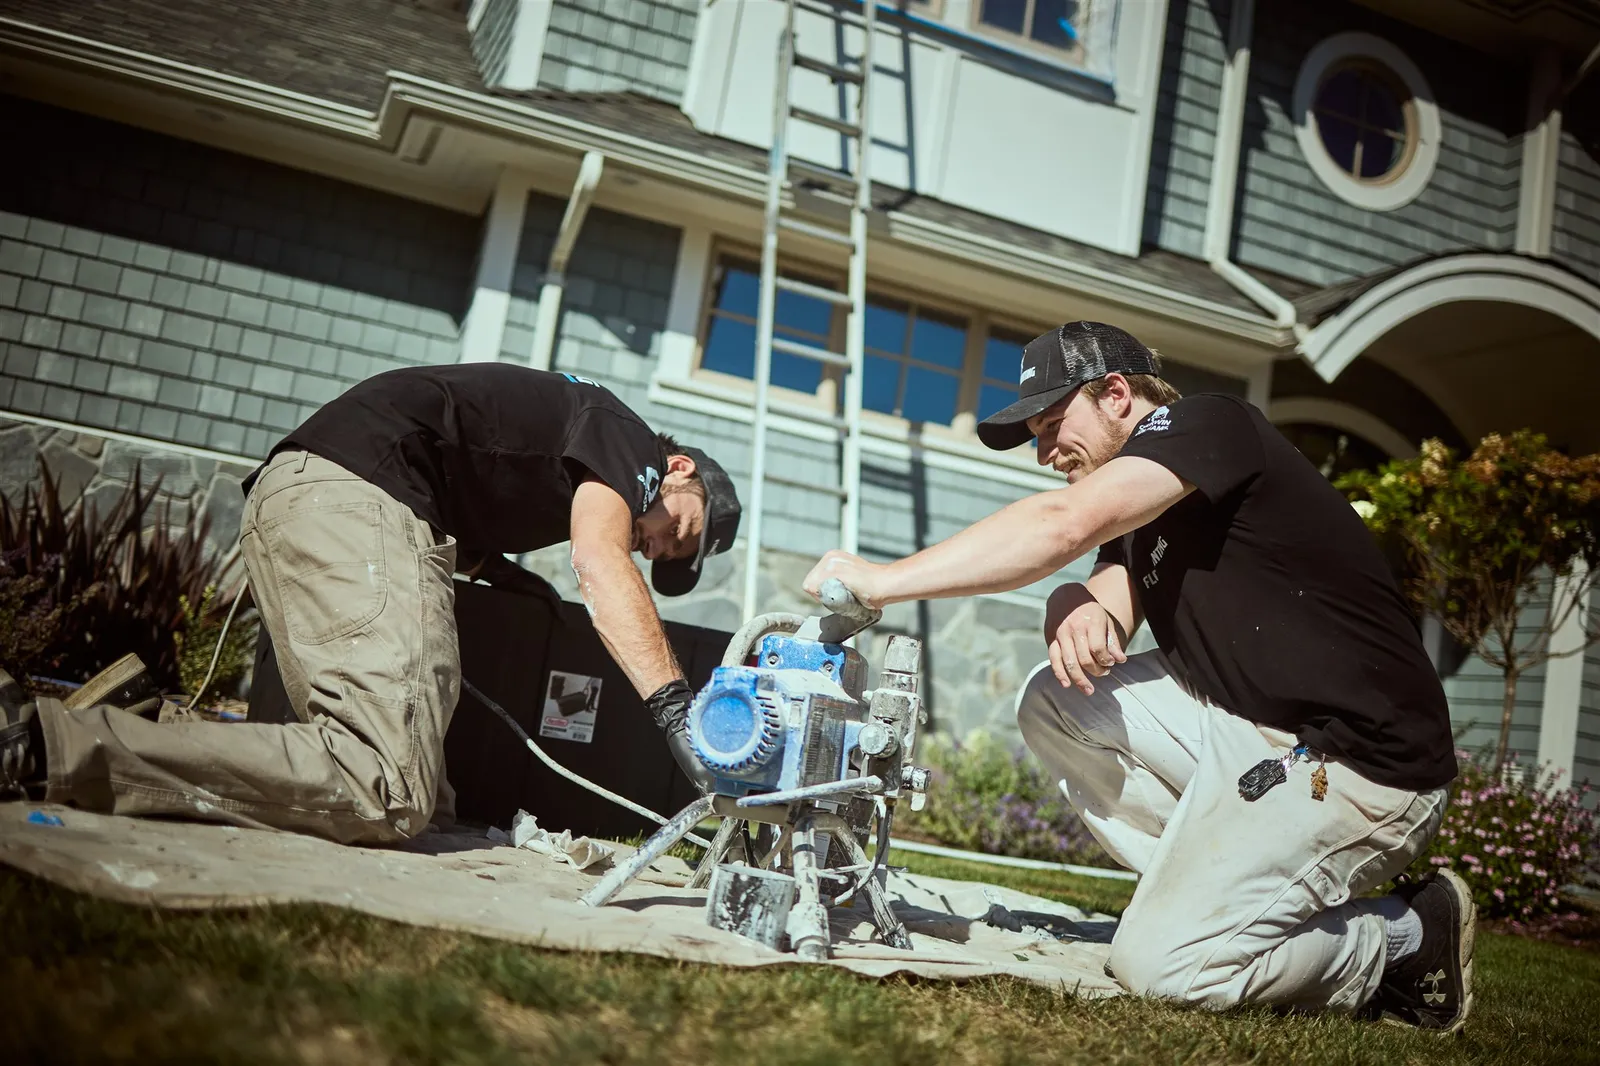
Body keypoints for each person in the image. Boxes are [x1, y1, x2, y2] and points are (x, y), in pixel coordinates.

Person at [799, 321, 1474, 1031]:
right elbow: (1102, 600)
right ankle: (1237, 901)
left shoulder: (1212, 425)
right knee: (1056, 699)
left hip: (1365, 766)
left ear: (1117, 394)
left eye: (1053, 423)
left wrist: (879, 580)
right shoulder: (1147, 507)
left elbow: (1060, 525)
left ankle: (1400, 937)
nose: (1043, 450)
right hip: (1257, 739)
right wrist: (1069, 602)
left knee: (1162, 970)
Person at [0, 363, 740, 844]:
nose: (658, 550)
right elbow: (601, 561)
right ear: (678, 471)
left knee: (428, 808)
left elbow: (477, 466)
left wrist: (504, 573)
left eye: (668, 558)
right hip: (356, 495)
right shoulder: (630, 440)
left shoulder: (577, 448)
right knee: (384, 781)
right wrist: (677, 712)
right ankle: (41, 747)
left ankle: (128, 728)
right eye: (679, 533)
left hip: (313, 497)